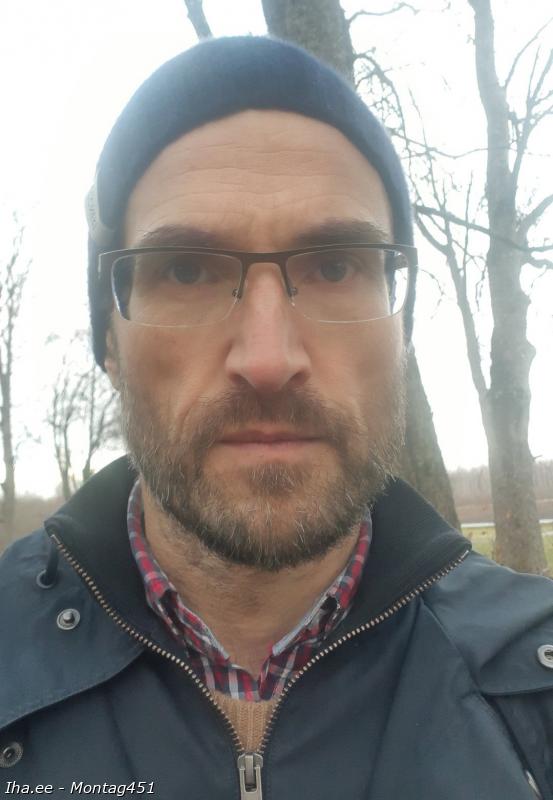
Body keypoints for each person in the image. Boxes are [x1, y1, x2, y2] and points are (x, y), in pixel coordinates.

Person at [1, 36, 552, 800]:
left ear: (398, 329)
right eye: (185, 269)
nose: (267, 359)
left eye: (335, 265)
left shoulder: (533, 680)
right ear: (109, 342)